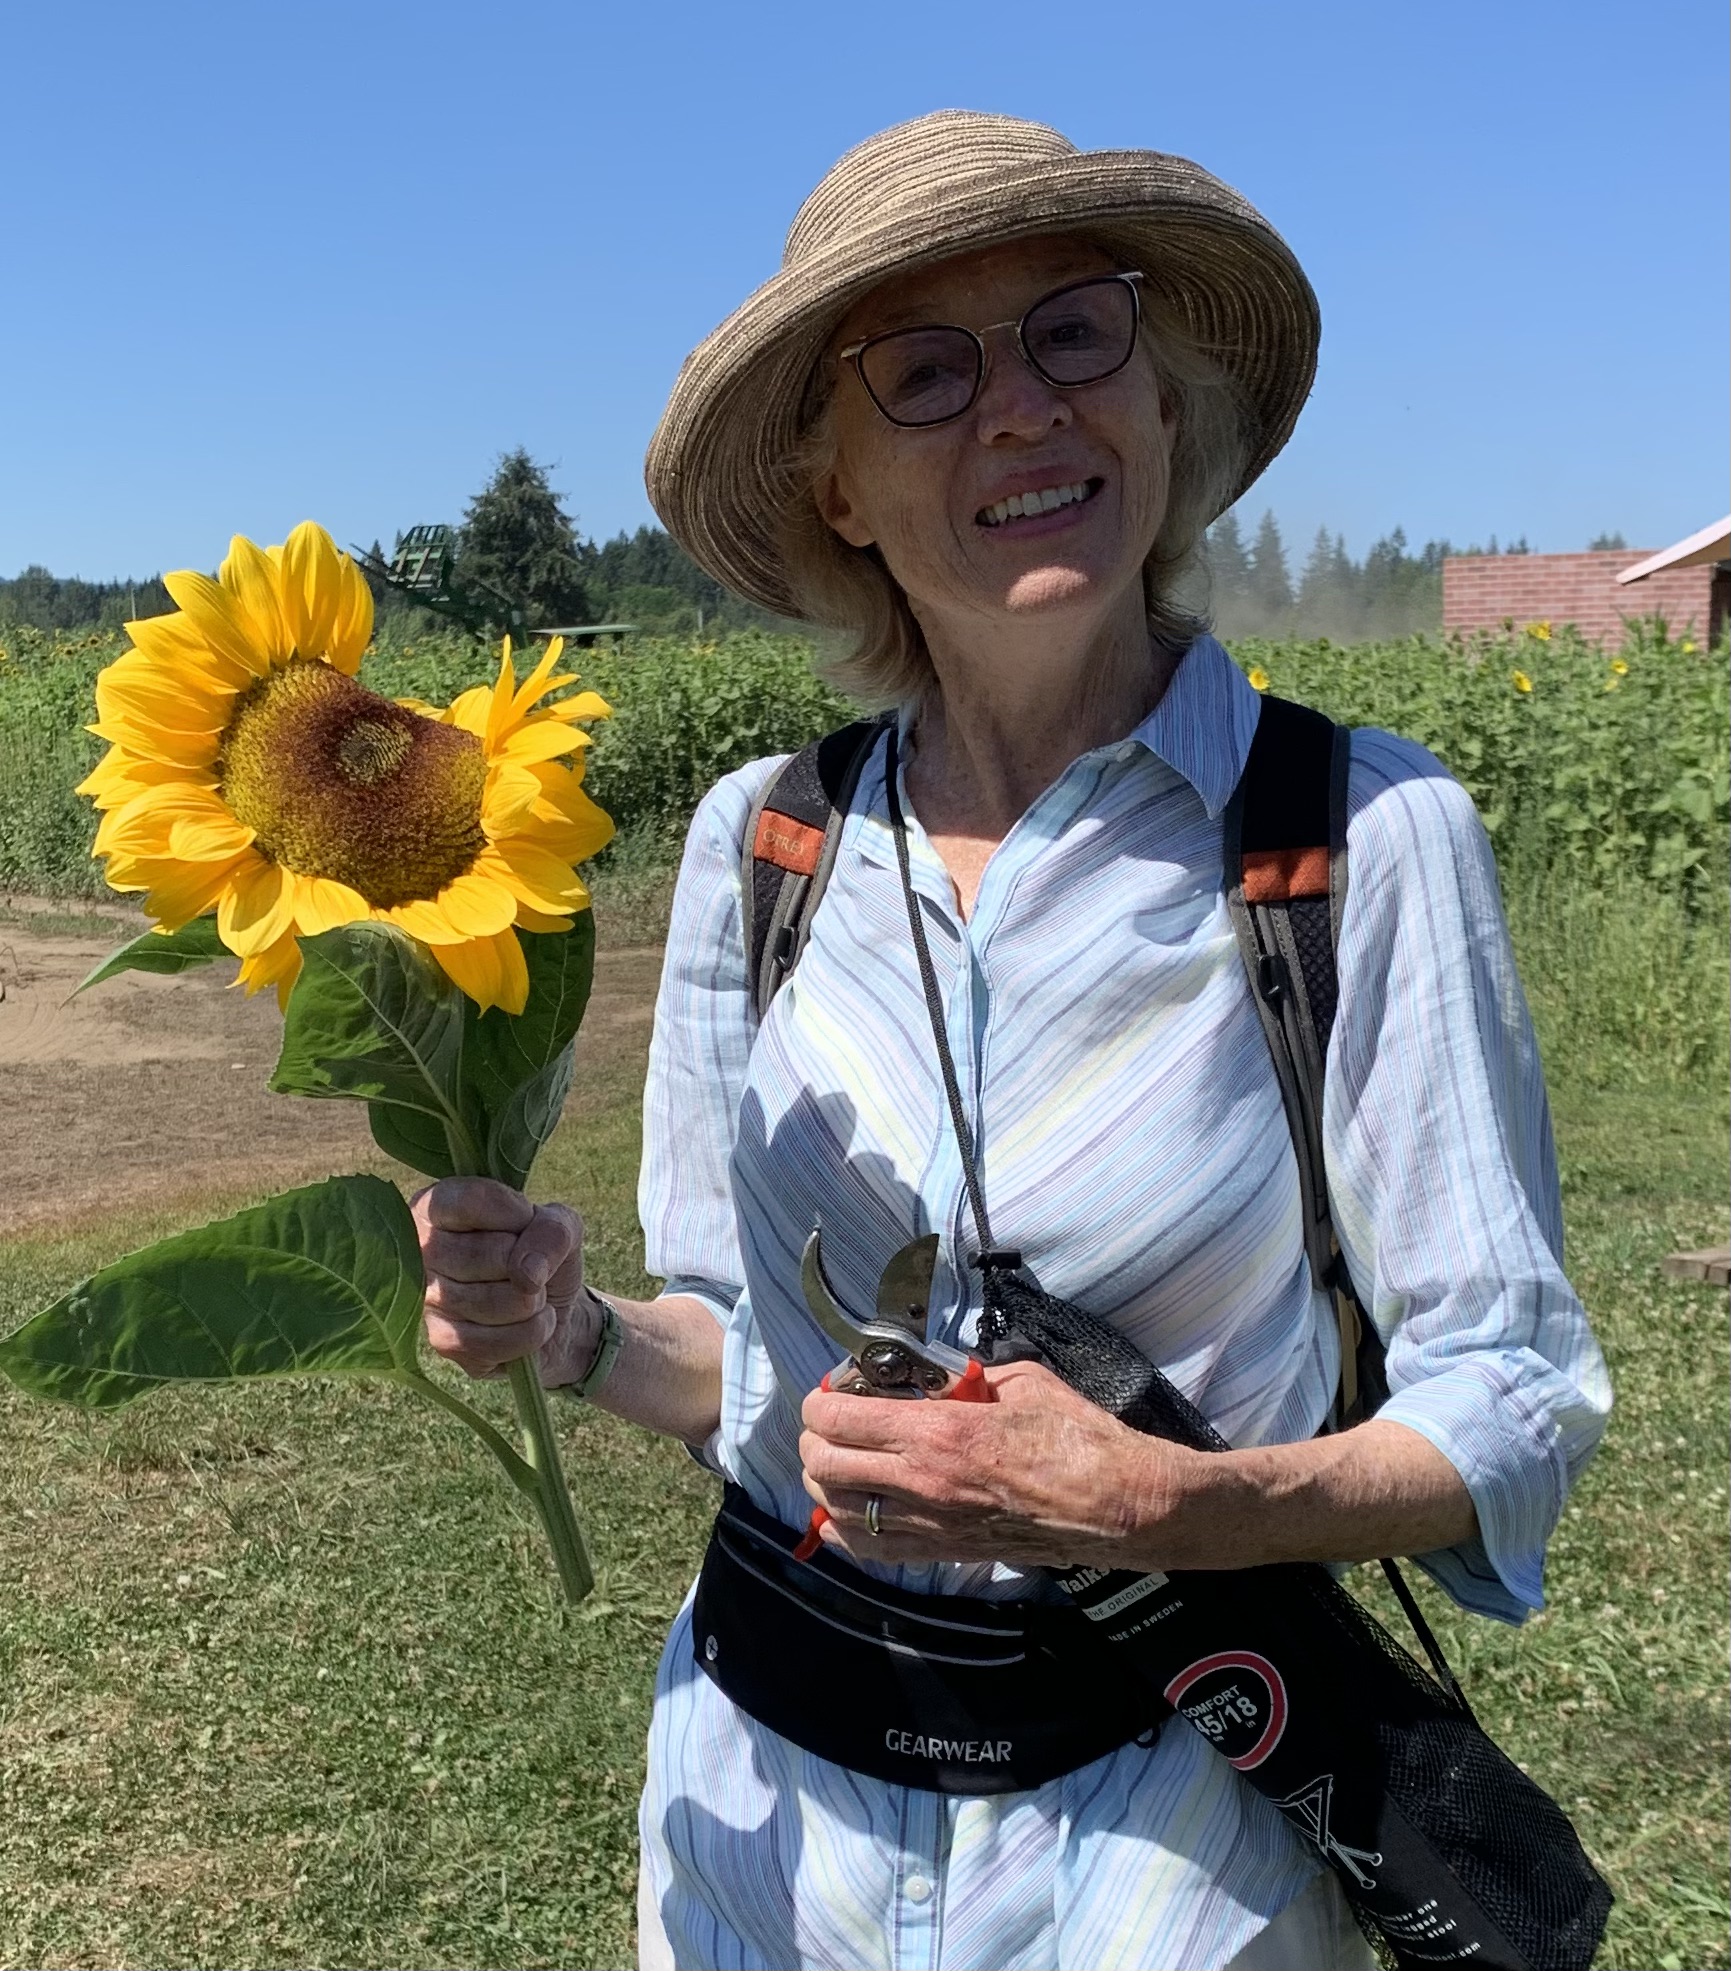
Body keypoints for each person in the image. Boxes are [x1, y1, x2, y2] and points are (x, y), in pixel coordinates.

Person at [415, 111, 1611, 1971]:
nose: (1025, 408)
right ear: (837, 490)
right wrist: (571, 1331)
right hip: (764, 1811)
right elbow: (747, 1367)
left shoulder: (1358, 837)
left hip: (1167, 1841)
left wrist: (1175, 1504)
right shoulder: (770, 840)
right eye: (926, 369)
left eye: (1076, 331)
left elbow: (1512, 1391)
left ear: (1163, 401)